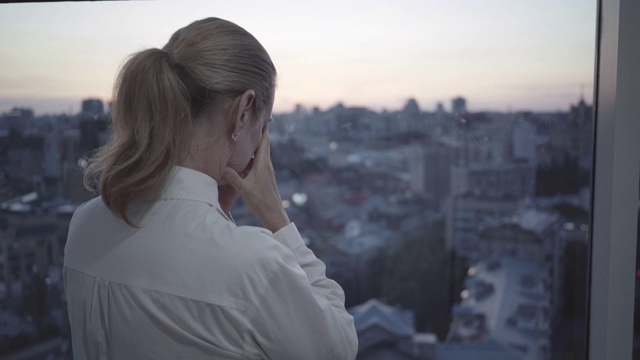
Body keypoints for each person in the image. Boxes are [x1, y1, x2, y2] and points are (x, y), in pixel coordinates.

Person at [63, 17, 358, 359]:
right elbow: (339, 347)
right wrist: (276, 217)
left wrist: (218, 212)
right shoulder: (253, 262)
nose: (263, 139)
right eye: (266, 124)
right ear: (243, 111)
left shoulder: (84, 225)